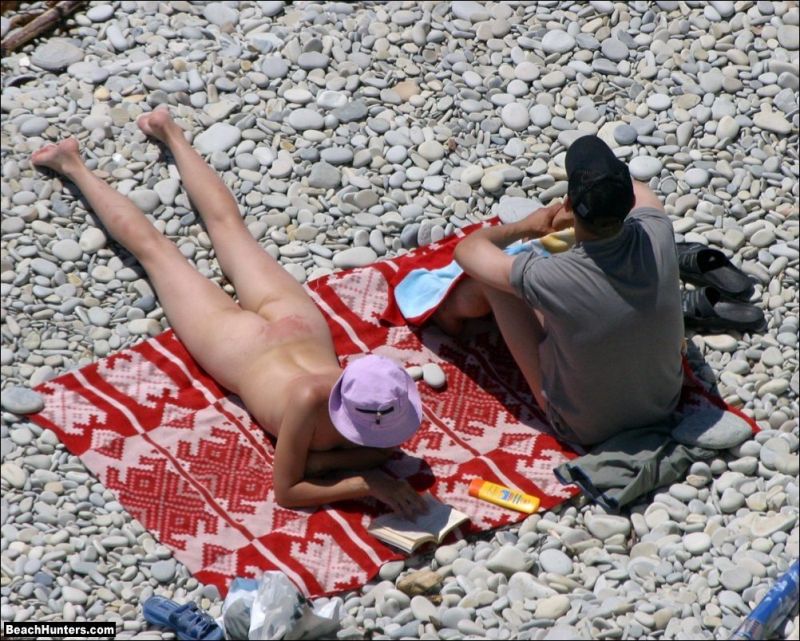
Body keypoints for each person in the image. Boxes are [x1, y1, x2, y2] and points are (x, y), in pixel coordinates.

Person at [31, 108, 427, 518]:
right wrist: (364, 482)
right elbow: (288, 489)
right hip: (242, 348)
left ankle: (169, 132)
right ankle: (73, 165)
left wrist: (329, 462)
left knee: (227, 228)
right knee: (156, 252)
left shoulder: (371, 391)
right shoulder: (308, 401)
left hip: (299, 329)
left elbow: (362, 455)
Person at [437, 135, 684, 446]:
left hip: (584, 429)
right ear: (629, 205)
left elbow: (468, 251)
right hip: (664, 404)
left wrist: (527, 226)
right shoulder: (658, 232)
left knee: (493, 282)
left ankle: (447, 319)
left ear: (568, 204)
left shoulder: (550, 276)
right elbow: (642, 191)